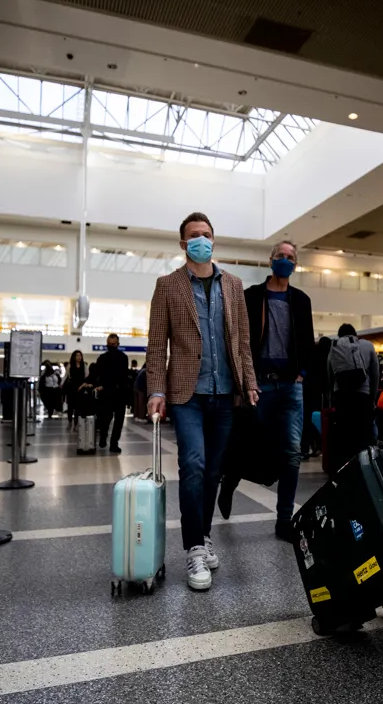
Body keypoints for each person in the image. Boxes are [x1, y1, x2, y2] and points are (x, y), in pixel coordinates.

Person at [146, 211, 257, 591]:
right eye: (194, 235)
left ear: (214, 240)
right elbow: (156, 343)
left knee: (213, 471)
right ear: (182, 244)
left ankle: (204, 534)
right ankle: (194, 547)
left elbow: (241, 341)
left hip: (225, 392)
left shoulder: (234, 286)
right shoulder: (167, 286)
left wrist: (250, 382)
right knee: (193, 465)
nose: (201, 240)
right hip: (185, 393)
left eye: (206, 234)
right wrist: (156, 391)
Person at [217, 240, 316, 543]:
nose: (285, 261)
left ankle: (283, 519)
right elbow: (237, 341)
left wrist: (301, 375)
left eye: (290, 258)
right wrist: (242, 382)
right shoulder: (252, 296)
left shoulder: (301, 300)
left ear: (295, 264)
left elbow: (308, 343)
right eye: (280, 256)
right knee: (248, 444)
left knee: (291, 453)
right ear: (270, 260)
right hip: (258, 384)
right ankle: (230, 480)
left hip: (289, 387)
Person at [325, 323, 380, 474]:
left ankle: (345, 470)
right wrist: (372, 398)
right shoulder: (367, 345)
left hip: (341, 398)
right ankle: (367, 469)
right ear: (355, 335)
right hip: (363, 397)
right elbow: (375, 374)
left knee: (345, 435)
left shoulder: (334, 348)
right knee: (364, 434)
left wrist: (332, 400)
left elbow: (330, 377)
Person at [94, 334, 130, 452]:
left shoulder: (123, 358)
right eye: (109, 344)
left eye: (113, 344)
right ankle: (103, 437)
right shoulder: (102, 358)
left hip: (119, 393)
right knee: (105, 419)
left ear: (118, 344)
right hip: (106, 393)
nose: (111, 346)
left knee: (119, 421)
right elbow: (98, 375)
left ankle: (114, 443)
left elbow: (124, 377)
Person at [64, 350, 87, 429]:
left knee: (78, 407)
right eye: (77, 355)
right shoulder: (70, 365)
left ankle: (76, 424)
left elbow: (87, 377)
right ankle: (70, 422)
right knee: (70, 406)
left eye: (80, 355)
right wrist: (61, 384)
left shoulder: (84, 365)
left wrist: (85, 384)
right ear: (74, 357)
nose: (79, 357)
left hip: (80, 387)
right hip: (71, 387)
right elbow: (66, 376)